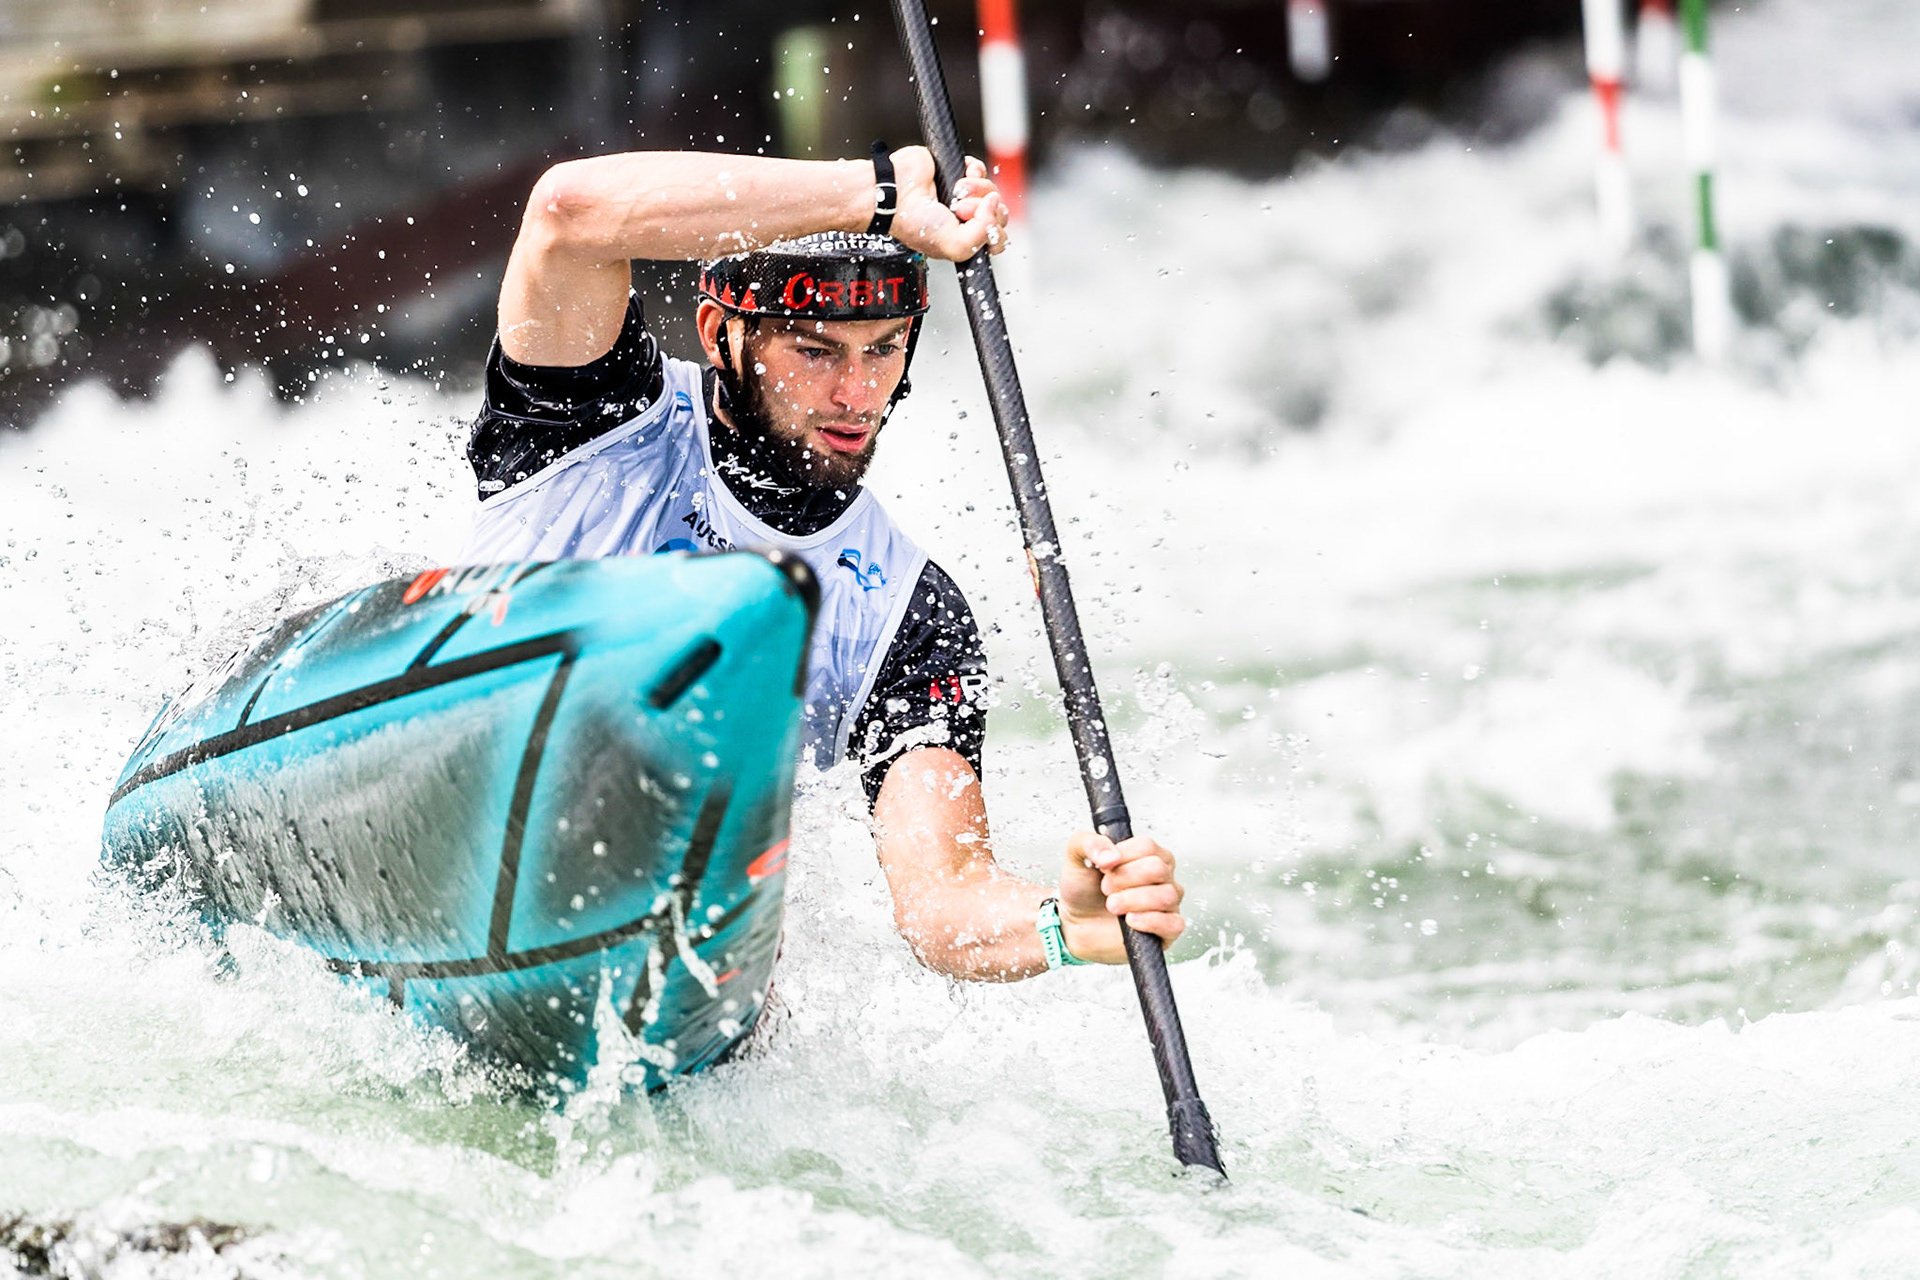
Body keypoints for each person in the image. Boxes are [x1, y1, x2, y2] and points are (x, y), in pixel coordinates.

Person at [458, 144, 1185, 980]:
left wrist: (1065, 925)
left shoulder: (909, 620)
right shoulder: (596, 413)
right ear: (718, 335)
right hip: (478, 758)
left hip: (659, 923)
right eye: (816, 352)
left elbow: (944, 904)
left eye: (883, 349)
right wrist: (877, 193)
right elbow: (566, 213)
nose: (856, 394)